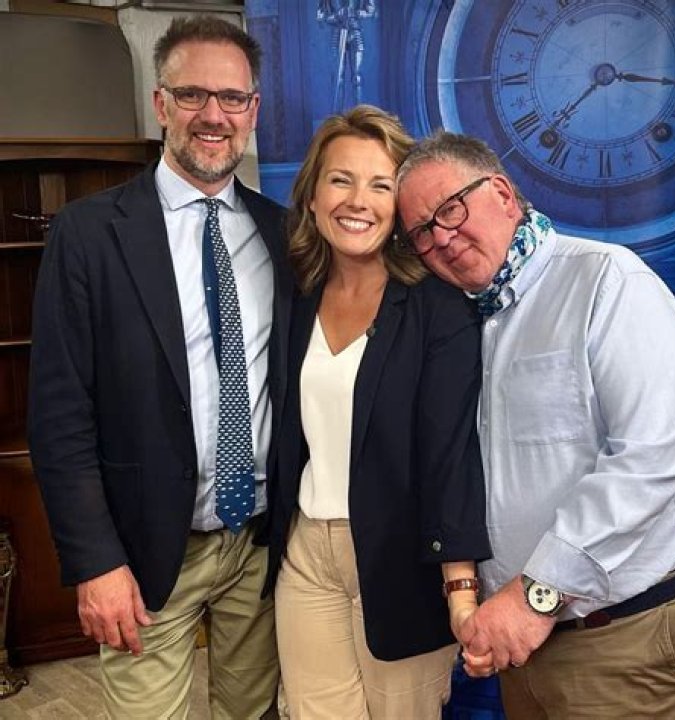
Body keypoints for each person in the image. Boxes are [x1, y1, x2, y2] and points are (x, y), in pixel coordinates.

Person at [28, 16, 291, 719]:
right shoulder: (89, 234)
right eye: (193, 94)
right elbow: (59, 416)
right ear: (161, 104)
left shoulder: (282, 232)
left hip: (259, 546)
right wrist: (94, 562)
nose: (214, 115)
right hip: (144, 555)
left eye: (232, 98)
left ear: (253, 110)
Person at [396, 131, 675, 719]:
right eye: (421, 233)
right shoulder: (467, 319)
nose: (441, 238)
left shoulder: (607, 281)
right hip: (523, 644)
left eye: (451, 209)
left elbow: (651, 457)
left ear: (502, 194)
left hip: (617, 641)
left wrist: (533, 597)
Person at [263, 106, 491, 719]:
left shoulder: (438, 308)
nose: (357, 201)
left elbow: (450, 457)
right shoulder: (297, 297)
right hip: (307, 552)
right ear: (313, 195)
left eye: (380, 185)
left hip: (402, 561)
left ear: (401, 206)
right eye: (340, 180)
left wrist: (460, 589)